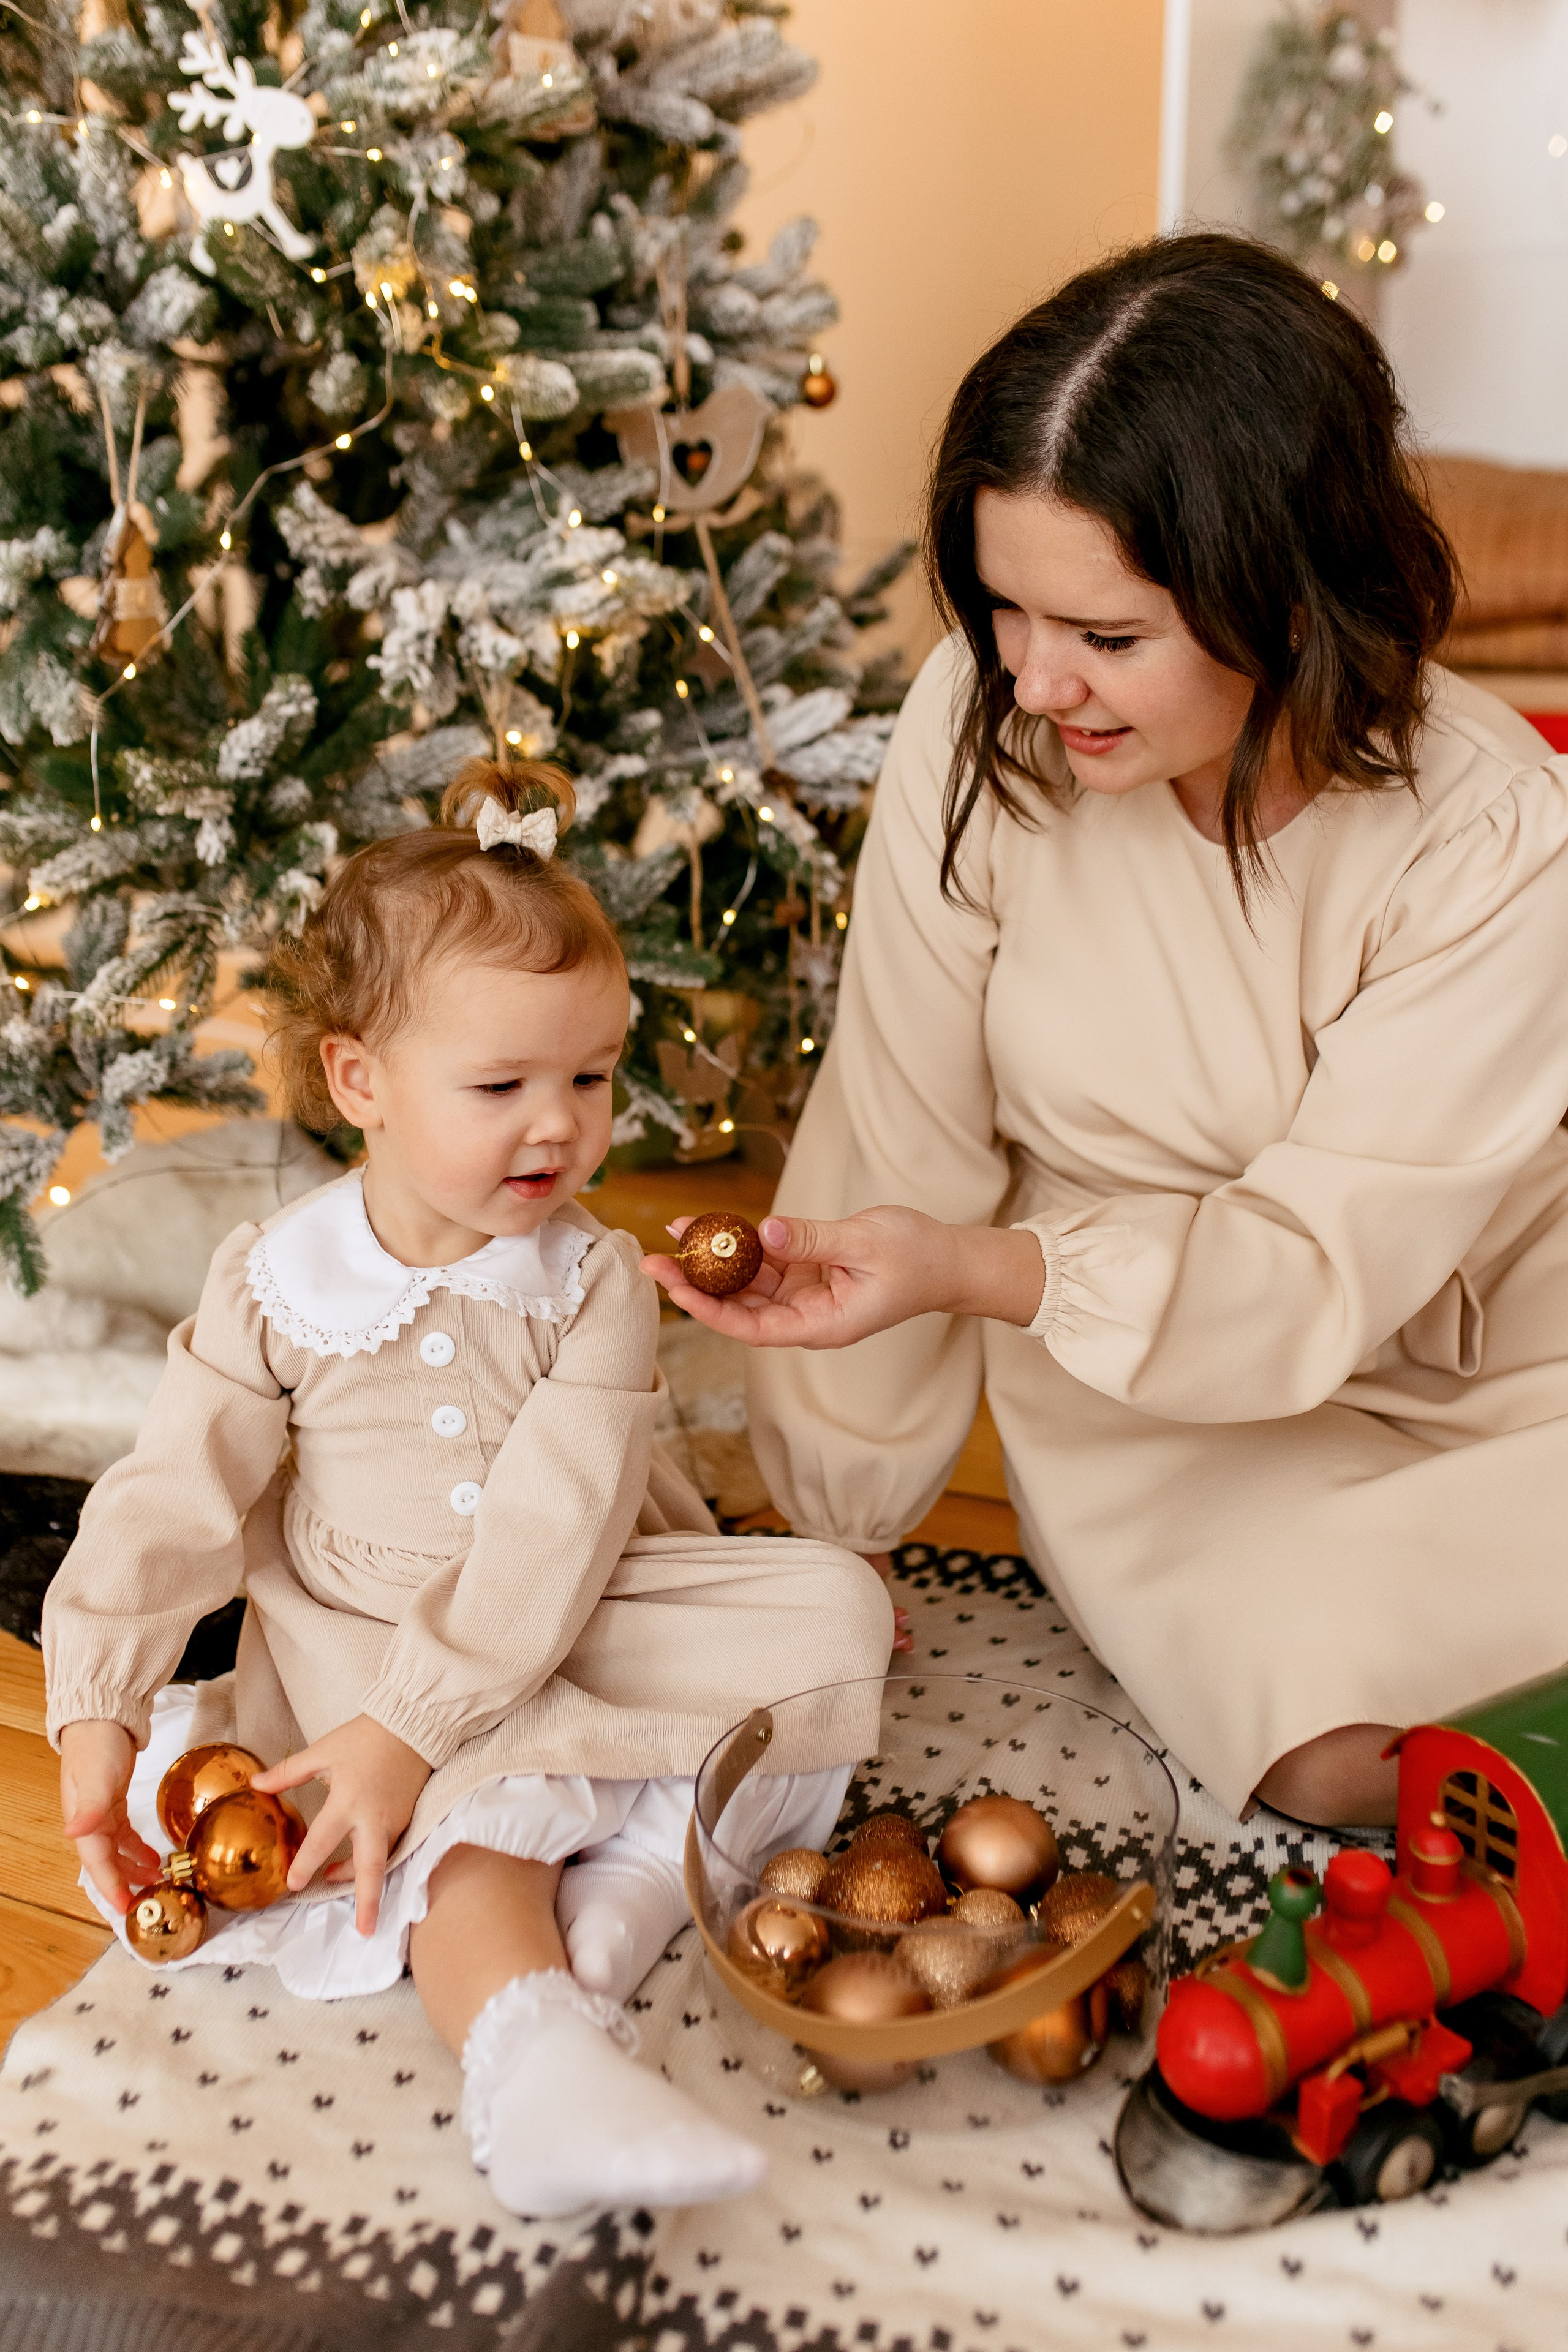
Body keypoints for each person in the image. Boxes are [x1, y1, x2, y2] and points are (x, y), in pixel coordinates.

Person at [646, 231, 1568, 1833]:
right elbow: (900, 1119)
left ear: (1282, 601)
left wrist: (980, 1271)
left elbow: (1321, 1261)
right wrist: (839, 1515)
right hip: (1141, 1388)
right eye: (1006, 608)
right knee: (1331, 1741)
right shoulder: (980, 724)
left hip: (1487, 1357)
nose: (1036, 678)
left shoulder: (1496, 833)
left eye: (1108, 638)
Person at [43, 760, 892, 2218]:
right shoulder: (276, 1281)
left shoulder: (591, 1279)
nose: (558, 1128)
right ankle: (533, 2055)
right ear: (358, 1081)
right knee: (474, 1832)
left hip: (566, 1600)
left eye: (590, 1075)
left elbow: (561, 1528)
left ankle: (608, 1922)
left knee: (840, 1613)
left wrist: (420, 1725)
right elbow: (170, 1493)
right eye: (501, 1087)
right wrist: (98, 1709)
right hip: (366, 1640)